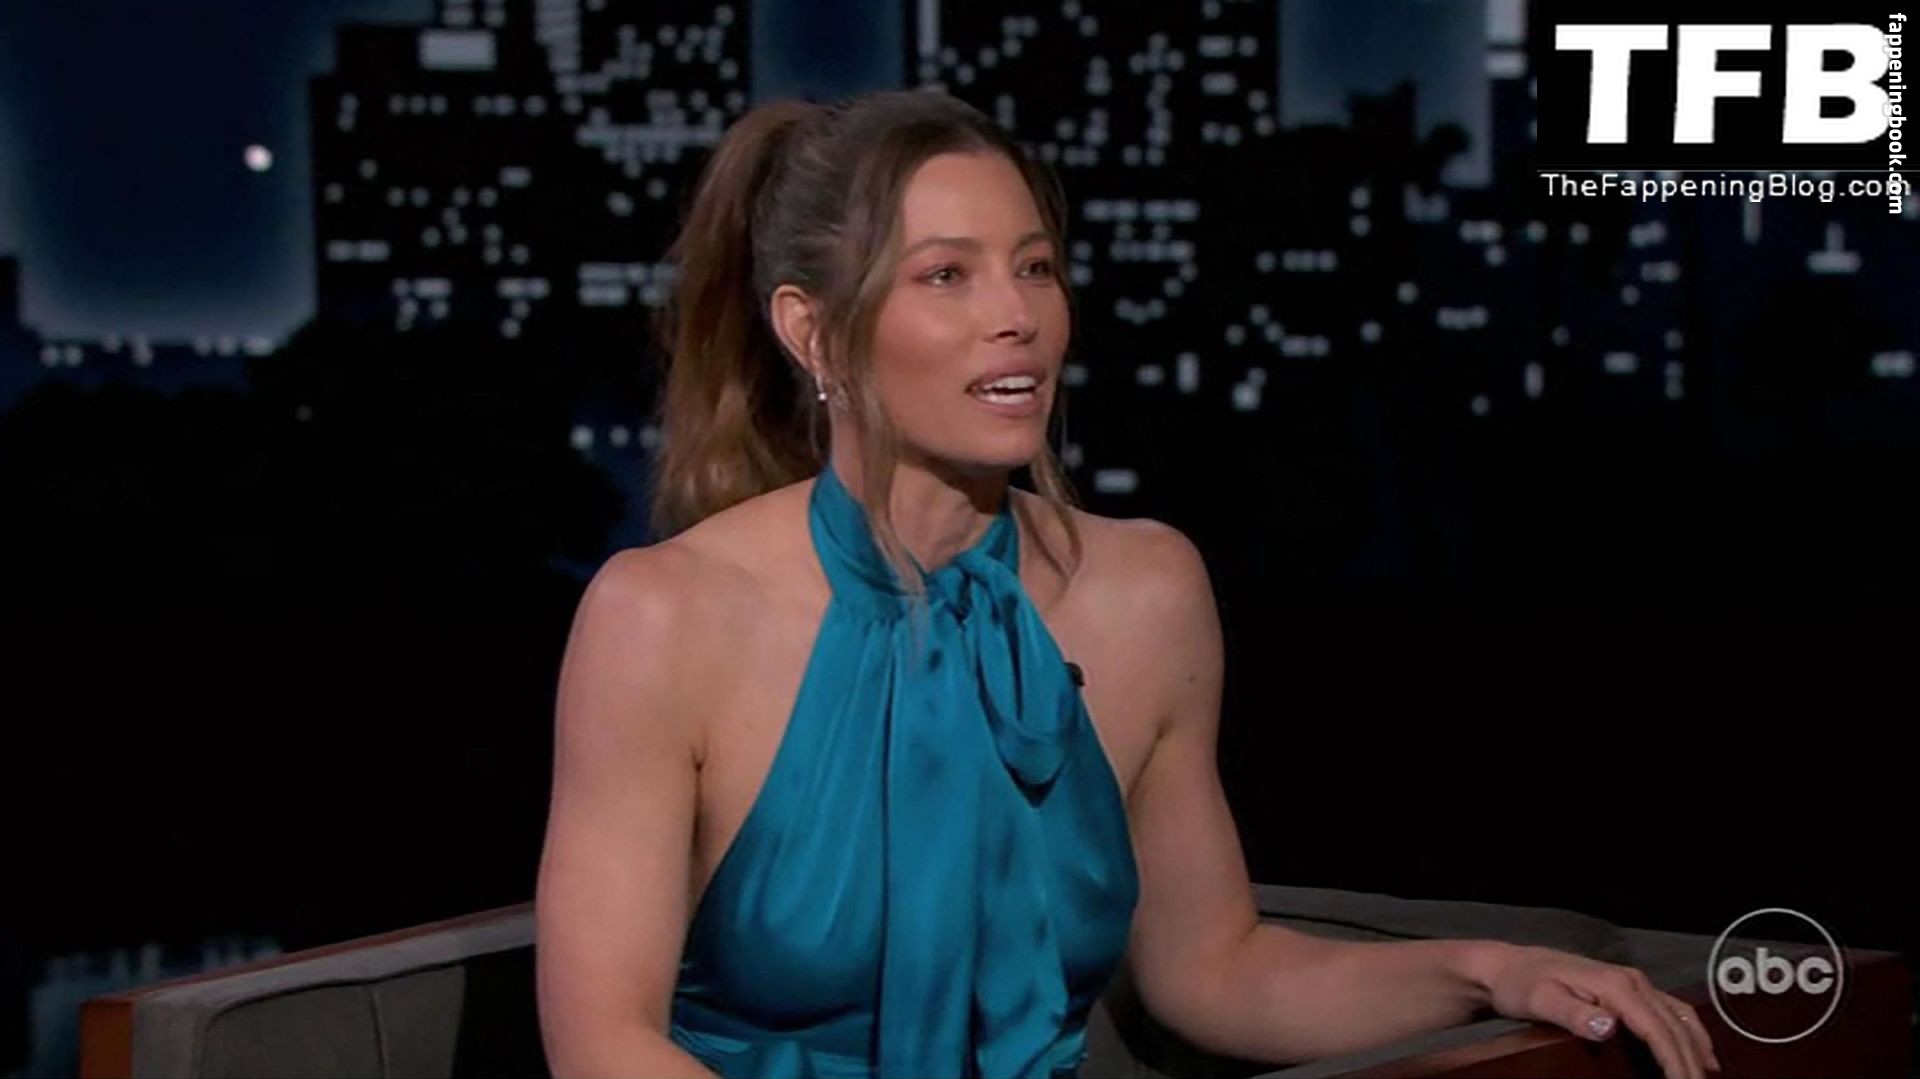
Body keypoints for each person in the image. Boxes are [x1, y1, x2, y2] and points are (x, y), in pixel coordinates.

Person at [532, 88, 1721, 1079]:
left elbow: (1216, 970)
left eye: (1036, 267)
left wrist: (1487, 970)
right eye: (947, 276)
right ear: (814, 331)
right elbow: (601, 1041)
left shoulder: (1147, 591)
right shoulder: (664, 617)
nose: (1017, 317)